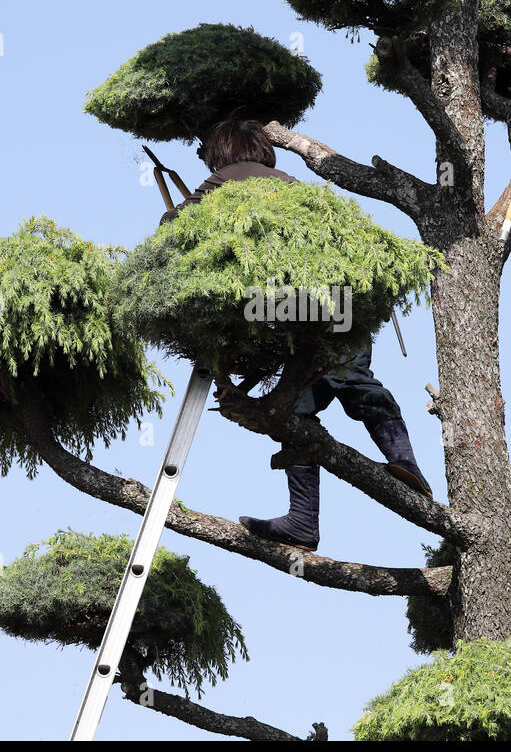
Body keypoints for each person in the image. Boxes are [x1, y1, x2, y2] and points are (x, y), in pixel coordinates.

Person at [167, 114, 433, 553]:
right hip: (342, 306)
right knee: (328, 393)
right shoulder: (292, 183)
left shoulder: (227, 179)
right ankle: (401, 468)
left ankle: (306, 518)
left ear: (225, 153)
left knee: (299, 413)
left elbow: (174, 233)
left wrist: (171, 213)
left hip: (308, 313)